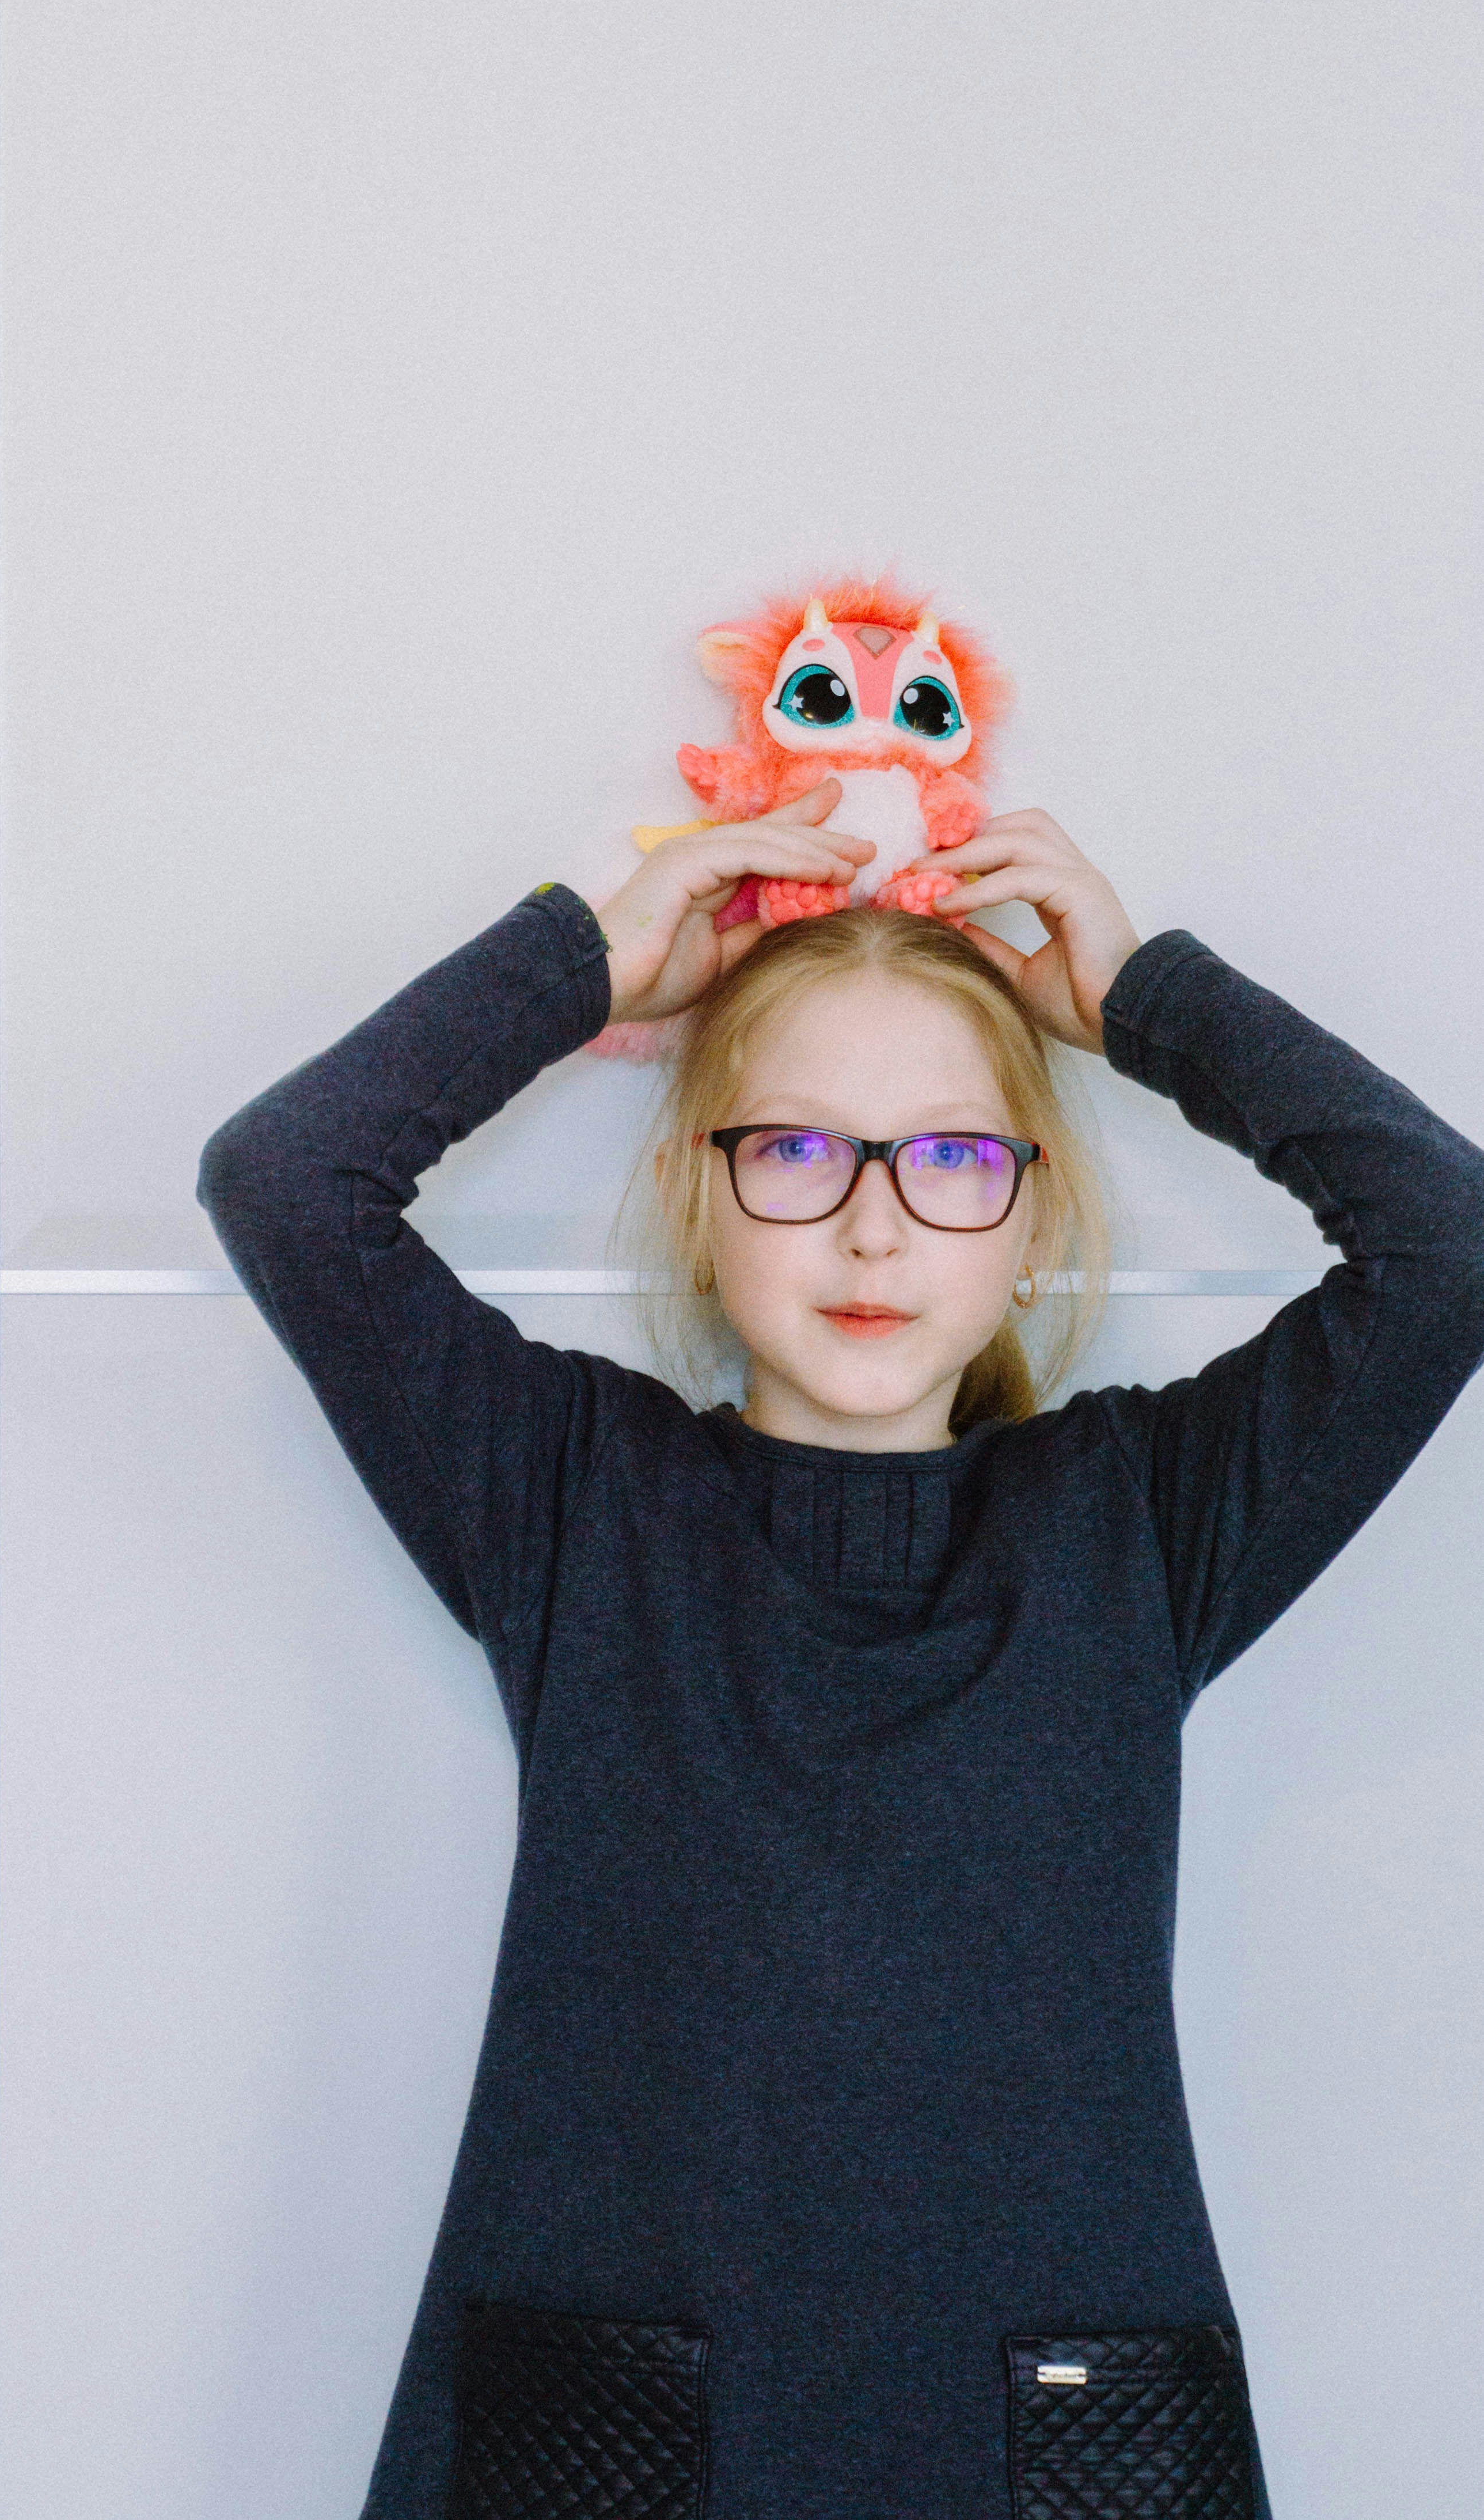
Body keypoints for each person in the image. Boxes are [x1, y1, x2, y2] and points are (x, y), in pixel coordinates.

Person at [193, 781, 1484, 2520]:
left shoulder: (1137, 1525)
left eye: (951, 1158)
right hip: (616, 2440)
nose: (872, 1226)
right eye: (796, 1149)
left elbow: (1445, 1240)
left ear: (1030, 1221)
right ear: (693, 1187)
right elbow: (286, 1180)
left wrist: (1144, 999)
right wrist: (590, 958)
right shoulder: (577, 1501)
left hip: (1052, 2440)